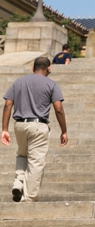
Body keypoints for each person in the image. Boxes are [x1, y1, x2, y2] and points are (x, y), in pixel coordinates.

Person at [1, 56, 68, 202]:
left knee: (22, 155)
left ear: (33, 68)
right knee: (36, 162)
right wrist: (64, 131)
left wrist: (4, 129)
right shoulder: (52, 84)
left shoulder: (18, 82)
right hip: (38, 126)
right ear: (48, 68)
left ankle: (18, 182)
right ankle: (29, 198)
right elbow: (59, 110)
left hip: (19, 125)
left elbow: (7, 105)